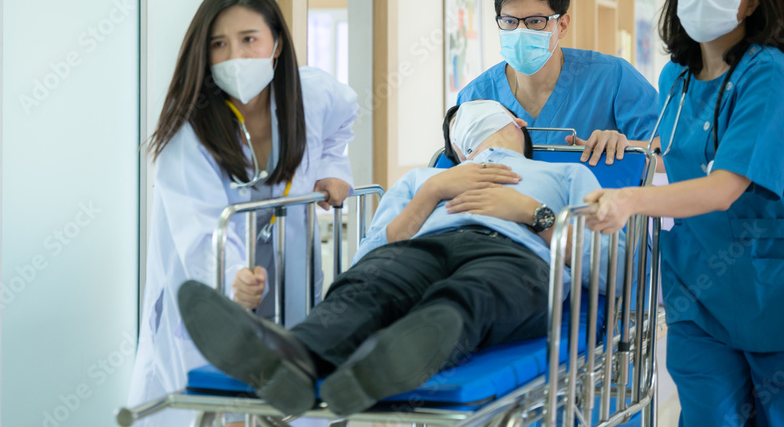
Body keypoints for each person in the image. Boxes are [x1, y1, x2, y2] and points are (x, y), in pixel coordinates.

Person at [179, 99, 624, 418]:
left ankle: (397, 354)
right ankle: (290, 355)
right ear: (458, 151)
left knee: (472, 295)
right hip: (419, 248)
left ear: (519, 124)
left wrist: (534, 214)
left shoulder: (565, 173)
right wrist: (432, 191)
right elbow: (372, 256)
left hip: (518, 256)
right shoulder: (425, 179)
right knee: (368, 287)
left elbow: (612, 266)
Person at [584, 0, 784, 427]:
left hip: (772, 285)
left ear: (751, 1)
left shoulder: (771, 74)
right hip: (696, 286)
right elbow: (679, 152)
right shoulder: (675, 77)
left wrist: (630, 199)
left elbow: (724, 186)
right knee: (706, 416)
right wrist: (626, 148)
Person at [128, 0, 359, 422]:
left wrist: (334, 168)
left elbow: (342, 120)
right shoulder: (189, 132)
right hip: (217, 274)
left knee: (290, 387)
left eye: (249, 39)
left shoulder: (310, 94)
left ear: (277, 44)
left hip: (284, 268)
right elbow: (200, 229)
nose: (235, 55)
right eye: (219, 44)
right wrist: (231, 275)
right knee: (221, 398)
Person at [456, 0, 659, 166]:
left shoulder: (612, 77)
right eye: (509, 21)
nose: (520, 31)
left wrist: (625, 146)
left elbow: (667, 154)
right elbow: (456, 170)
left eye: (536, 21)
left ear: (562, 25)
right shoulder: (475, 97)